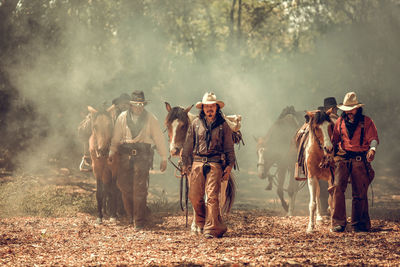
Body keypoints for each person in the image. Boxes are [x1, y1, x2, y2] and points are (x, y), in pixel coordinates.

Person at [108, 90, 167, 229]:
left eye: (141, 104)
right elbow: (116, 137)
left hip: (142, 156)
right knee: (123, 186)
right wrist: (111, 151)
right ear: (131, 105)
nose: (139, 107)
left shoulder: (151, 118)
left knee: (140, 188)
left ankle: (139, 221)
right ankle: (132, 216)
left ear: (144, 105)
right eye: (136, 104)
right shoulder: (122, 117)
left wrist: (164, 157)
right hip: (125, 156)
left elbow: (159, 138)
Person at [181, 92, 236, 239]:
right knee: (194, 195)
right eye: (207, 107)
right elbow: (188, 144)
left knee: (212, 197)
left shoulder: (223, 125)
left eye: (212, 106)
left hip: (215, 163)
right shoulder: (195, 124)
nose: (209, 109)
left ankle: (212, 228)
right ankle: (200, 221)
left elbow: (229, 148)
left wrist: (229, 166)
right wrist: (185, 163)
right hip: (197, 162)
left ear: (217, 108)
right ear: (203, 108)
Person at [330, 92, 378, 232]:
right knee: (338, 188)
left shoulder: (366, 121)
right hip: (343, 159)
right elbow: (335, 140)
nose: (349, 112)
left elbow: (373, 138)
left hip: (359, 159)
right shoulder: (340, 122)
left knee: (359, 192)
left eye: (352, 109)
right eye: (347, 110)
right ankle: (338, 223)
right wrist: (329, 153)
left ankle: (358, 223)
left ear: (357, 109)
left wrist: (372, 149)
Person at [78, 93, 131, 172]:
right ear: (118, 104)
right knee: (88, 128)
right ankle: (87, 156)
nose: (125, 106)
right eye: (123, 103)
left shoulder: (131, 115)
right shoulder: (114, 113)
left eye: (127, 104)